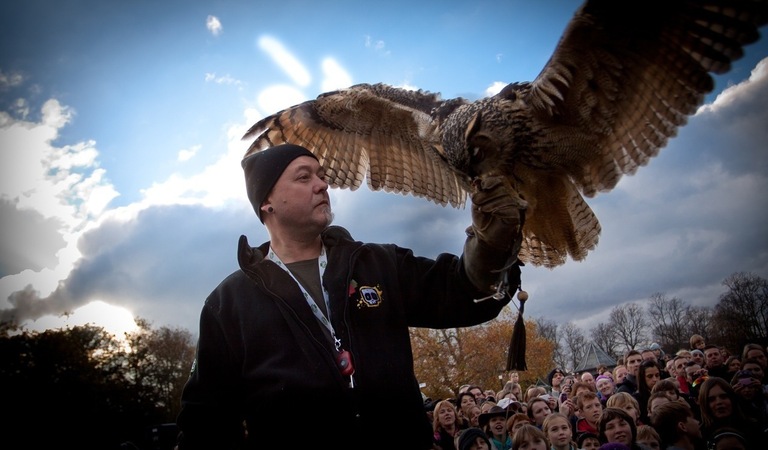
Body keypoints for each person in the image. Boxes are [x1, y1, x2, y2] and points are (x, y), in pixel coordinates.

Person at [174, 144, 524, 449]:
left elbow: (462, 292)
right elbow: (205, 420)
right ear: (267, 201)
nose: (322, 184)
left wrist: (493, 244)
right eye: (304, 177)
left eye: (321, 175)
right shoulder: (229, 303)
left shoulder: (378, 263)